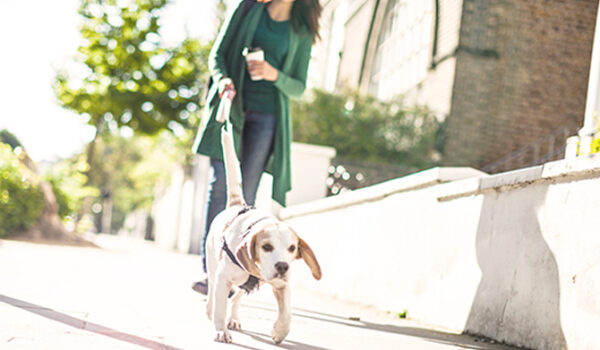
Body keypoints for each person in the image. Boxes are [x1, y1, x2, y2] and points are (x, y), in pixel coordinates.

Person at [191, 0, 322, 294]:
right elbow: (218, 54)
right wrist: (223, 79)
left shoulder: (300, 30)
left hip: (267, 119)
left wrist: (272, 73)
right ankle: (210, 273)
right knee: (222, 185)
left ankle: (235, 275)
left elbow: (299, 87)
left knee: (245, 196)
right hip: (232, 109)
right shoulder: (248, 8)